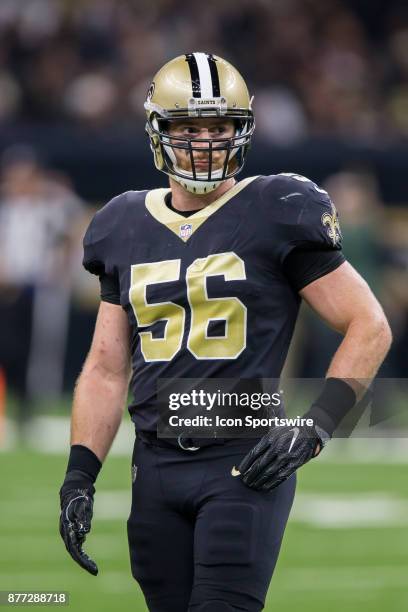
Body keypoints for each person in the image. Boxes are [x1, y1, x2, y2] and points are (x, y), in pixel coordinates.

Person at [59, 53, 392, 612]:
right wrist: (79, 475)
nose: (207, 142)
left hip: (244, 460)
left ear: (244, 130)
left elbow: (368, 324)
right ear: (158, 132)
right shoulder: (120, 223)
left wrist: (316, 426)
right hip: (156, 466)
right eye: (189, 128)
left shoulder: (277, 207)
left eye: (219, 127)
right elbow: (105, 366)